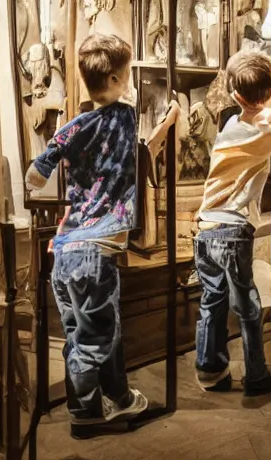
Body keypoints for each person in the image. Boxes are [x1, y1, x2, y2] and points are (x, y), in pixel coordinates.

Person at [25, 34, 180, 432]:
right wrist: (169, 122)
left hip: (65, 247)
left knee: (88, 333)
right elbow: (144, 151)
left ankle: (115, 400)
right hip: (97, 250)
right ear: (113, 79)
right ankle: (84, 418)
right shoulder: (125, 117)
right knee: (92, 341)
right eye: (126, 75)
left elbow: (34, 177)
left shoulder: (71, 128)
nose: (128, 83)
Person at [193, 49, 271, 396]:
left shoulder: (230, 123)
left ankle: (210, 371)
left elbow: (255, 94)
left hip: (206, 227)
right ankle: (256, 376)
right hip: (232, 230)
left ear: (233, 93)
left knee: (212, 300)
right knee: (246, 305)